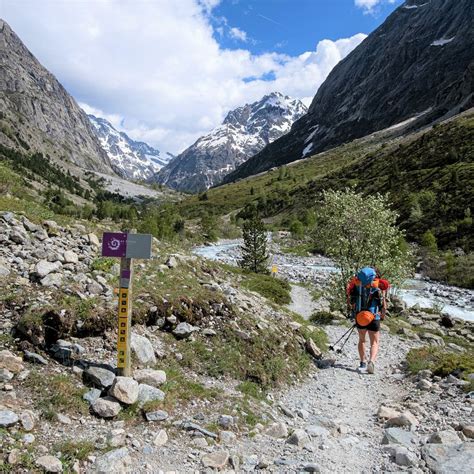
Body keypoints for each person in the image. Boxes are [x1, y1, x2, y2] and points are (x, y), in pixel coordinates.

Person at [346, 267, 389, 374]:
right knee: (374, 342)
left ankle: (362, 362)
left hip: (360, 316)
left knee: (362, 340)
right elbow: (384, 304)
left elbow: (350, 300)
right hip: (374, 317)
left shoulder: (357, 284)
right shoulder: (378, 285)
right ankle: (371, 362)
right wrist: (382, 315)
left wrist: (353, 312)